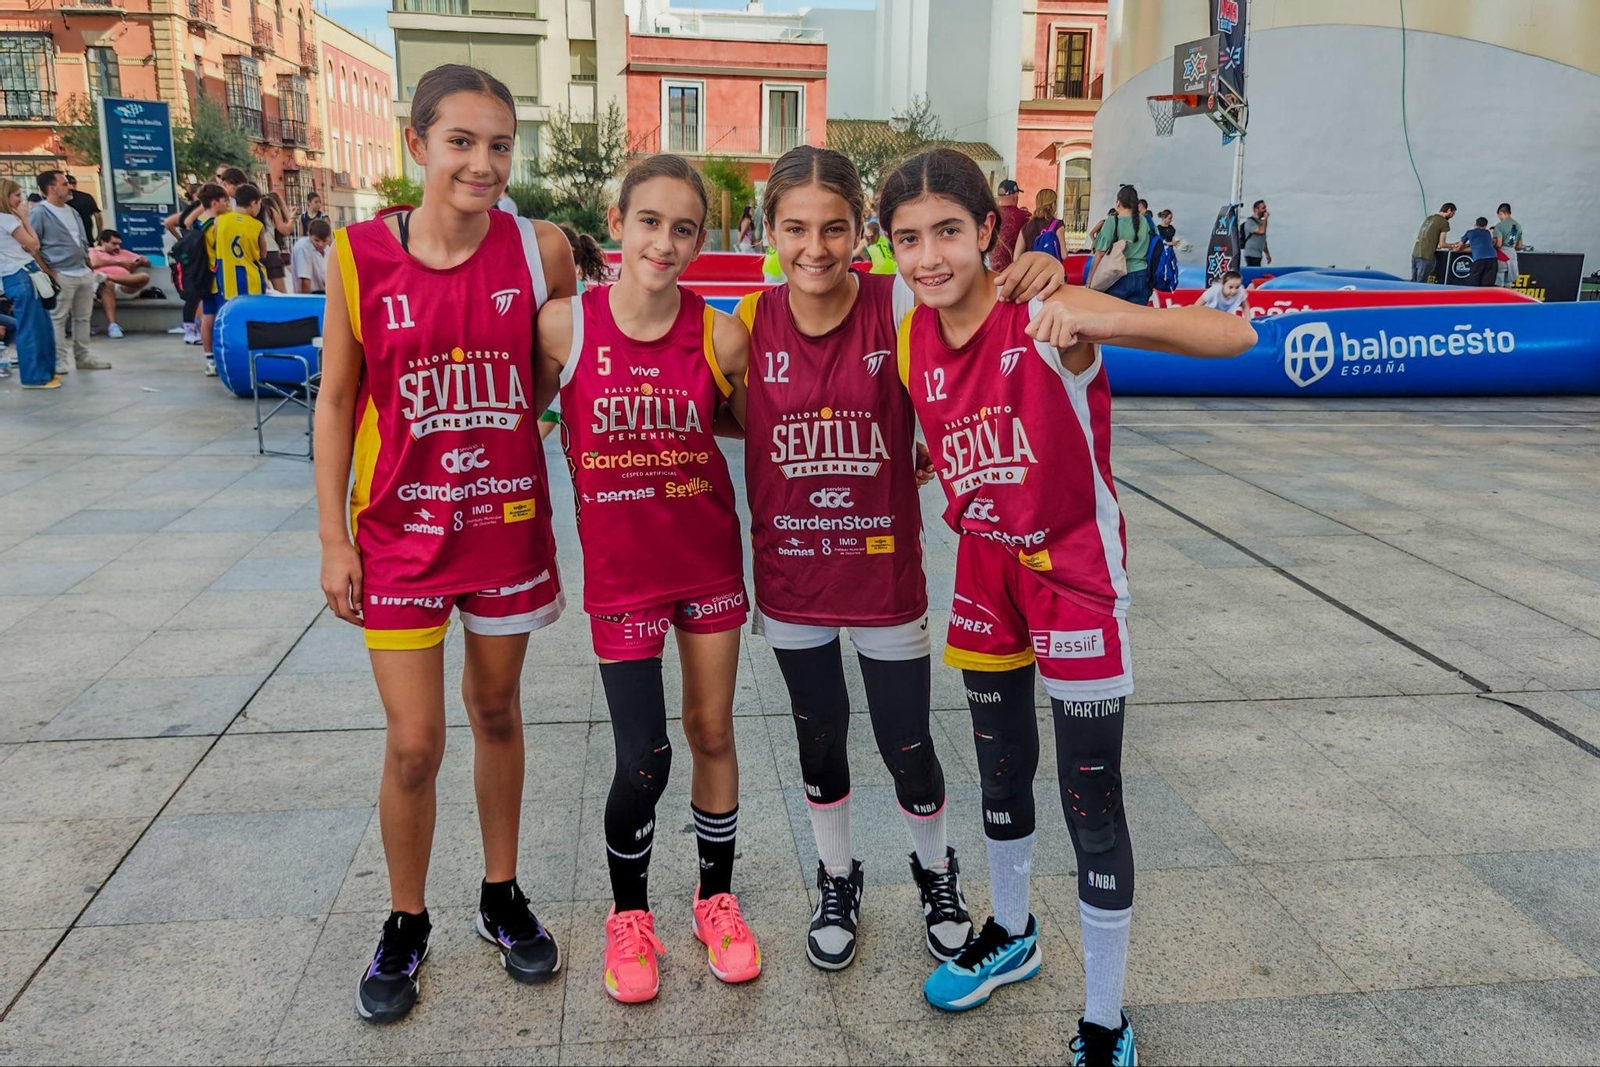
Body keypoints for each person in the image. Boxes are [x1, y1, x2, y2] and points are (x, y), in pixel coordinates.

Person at [877, 146, 1256, 1066]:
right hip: (983, 572)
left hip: (1074, 574)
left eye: (949, 234)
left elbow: (1227, 341)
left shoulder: (1050, 313)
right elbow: (943, 432)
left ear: (988, 233)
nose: (930, 257)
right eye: (909, 240)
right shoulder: (911, 334)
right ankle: (1013, 933)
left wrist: (1097, 307)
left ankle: (1104, 1017)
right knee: (1000, 774)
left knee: (1092, 801)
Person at [734, 145, 1065, 974]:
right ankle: (837, 874)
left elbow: (975, 356)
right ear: (767, 231)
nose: (815, 247)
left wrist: (1035, 270)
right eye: (796, 229)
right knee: (819, 738)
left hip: (883, 572)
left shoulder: (900, 306)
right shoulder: (743, 321)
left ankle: (935, 870)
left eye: (836, 228)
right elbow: (718, 409)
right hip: (793, 575)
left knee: (907, 740)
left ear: (864, 233)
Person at [315, 63, 576, 1025]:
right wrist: (332, 537)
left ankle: (500, 896)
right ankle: (406, 917)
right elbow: (337, 401)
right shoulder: (357, 257)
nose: (483, 162)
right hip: (400, 535)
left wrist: (525, 423)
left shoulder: (541, 249)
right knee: (416, 741)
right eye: (461, 141)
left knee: (497, 710)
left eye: (499, 144)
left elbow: (561, 366)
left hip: (502, 521)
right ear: (416, 143)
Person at [535, 154, 760, 1005]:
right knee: (644, 757)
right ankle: (628, 913)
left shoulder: (719, 332)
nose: (664, 242)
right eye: (650, 222)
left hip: (705, 563)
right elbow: (514, 410)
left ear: (703, 239)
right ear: (618, 221)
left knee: (710, 730)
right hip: (623, 577)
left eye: (684, 228)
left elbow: (750, 424)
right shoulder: (566, 326)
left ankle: (714, 898)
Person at [535, 224, 609, 442]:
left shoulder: (570, 292)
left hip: (563, 375)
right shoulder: (575, 289)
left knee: (531, 438)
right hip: (564, 377)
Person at [31, 170, 110, 374]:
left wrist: (88, 266)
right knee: (58, 319)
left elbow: (82, 240)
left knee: (83, 318)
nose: (70, 187)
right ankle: (59, 361)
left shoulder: (72, 211)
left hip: (82, 272)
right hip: (60, 273)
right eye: (65, 184)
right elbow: (32, 246)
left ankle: (83, 357)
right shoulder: (40, 212)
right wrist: (48, 272)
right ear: (51, 188)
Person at [201, 183, 268, 376]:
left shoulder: (219, 222)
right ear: (254, 203)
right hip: (252, 280)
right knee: (253, 324)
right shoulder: (257, 226)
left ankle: (223, 364)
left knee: (227, 323)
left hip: (226, 281)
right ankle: (254, 363)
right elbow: (263, 254)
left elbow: (213, 245)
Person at [0, 178, 58, 388]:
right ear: (5, 197)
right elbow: (33, 244)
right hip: (22, 275)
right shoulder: (7, 220)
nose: (20, 199)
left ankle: (44, 372)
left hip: (16, 275)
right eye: (16, 195)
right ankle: (36, 376)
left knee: (40, 325)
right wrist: (24, 218)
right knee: (33, 327)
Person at [1092, 185, 1152, 305]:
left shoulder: (1112, 221)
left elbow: (1099, 253)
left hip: (1117, 275)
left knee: (1114, 318)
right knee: (1137, 319)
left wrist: (1091, 280)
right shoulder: (1144, 221)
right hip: (1142, 274)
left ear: (1118, 203)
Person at [88, 229, 152, 338]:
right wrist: (120, 263)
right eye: (114, 244)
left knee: (144, 277)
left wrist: (141, 261)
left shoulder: (124, 252)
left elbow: (147, 262)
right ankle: (113, 325)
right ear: (103, 242)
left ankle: (107, 276)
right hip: (104, 288)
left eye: (119, 244)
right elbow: (93, 263)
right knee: (108, 284)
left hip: (125, 286)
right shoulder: (93, 251)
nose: (117, 247)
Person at [991, 179, 1030, 273]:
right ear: (1015, 195)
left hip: (991, 271)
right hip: (1014, 272)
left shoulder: (990, 215)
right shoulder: (1025, 216)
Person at [259, 191, 295, 293]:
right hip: (271, 251)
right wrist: (293, 217)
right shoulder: (269, 207)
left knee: (263, 291)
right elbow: (285, 230)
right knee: (281, 292)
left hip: (256, 252)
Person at [1016, 188, 1063, 264]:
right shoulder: (1057, 224)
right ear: (1053, 204)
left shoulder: (1027, 226)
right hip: (1051, 272)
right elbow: (1064, 255)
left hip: (1032, 272)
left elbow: (1016, 258)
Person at [1411, 202, 1456, 283]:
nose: (1453, 216)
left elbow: (1426, 236)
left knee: (1414, 282)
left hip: (1416, 253)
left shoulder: (1429, 218)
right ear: (1449, 210)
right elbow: (1442, 244)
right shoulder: (1443, 222)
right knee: (1421, 283)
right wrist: (1454, 245)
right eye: (1453, 213)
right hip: (1426, 255)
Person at [1454, 216, 1498, 287]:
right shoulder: (1487, 233)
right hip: (1493, 258)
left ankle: (1473, 297)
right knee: (1488, 283)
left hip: (1479, 258)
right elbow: (1483, 244)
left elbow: (1459, 247)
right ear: (1486, 226)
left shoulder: (1469, 232)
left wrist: (1455, 248)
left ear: (1475, 225)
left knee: (1474, 282)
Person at [289, 218, 331, 294]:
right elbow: (305, 280)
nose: (321, 244)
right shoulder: (302, 248)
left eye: (325, 241)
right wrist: (307, 301)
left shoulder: (328, 249)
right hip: (309, 293)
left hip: (325, 291)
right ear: (309, 234)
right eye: (316, 240)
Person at [64, 175, 102, 246]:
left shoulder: (60, 199)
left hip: (67, 238)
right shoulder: (86, 197)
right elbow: (98, 217)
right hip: (86, 234)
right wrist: (99, 234)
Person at [1493, 203, 1523, 287]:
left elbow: (1499, 244)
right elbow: (1519, 246)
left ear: (1501, 212)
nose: (1499, 218)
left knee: (1499, 282)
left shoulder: (1499, 226)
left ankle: (1498, 299)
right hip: (1512, 256)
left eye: (1499, 215)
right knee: (1508, 283)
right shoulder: (1518, 226)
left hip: (1502, 256)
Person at [1240, 199, 1270, 267]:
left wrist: (1267, 254)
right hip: (1251, 253)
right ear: (1256, 209)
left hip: (1258, 253)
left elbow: (1262, 240)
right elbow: (1261, 231)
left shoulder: (1260, 223)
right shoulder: (1250, 222)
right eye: (1263, 208)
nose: (1265, 210)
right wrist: (1265, 218)